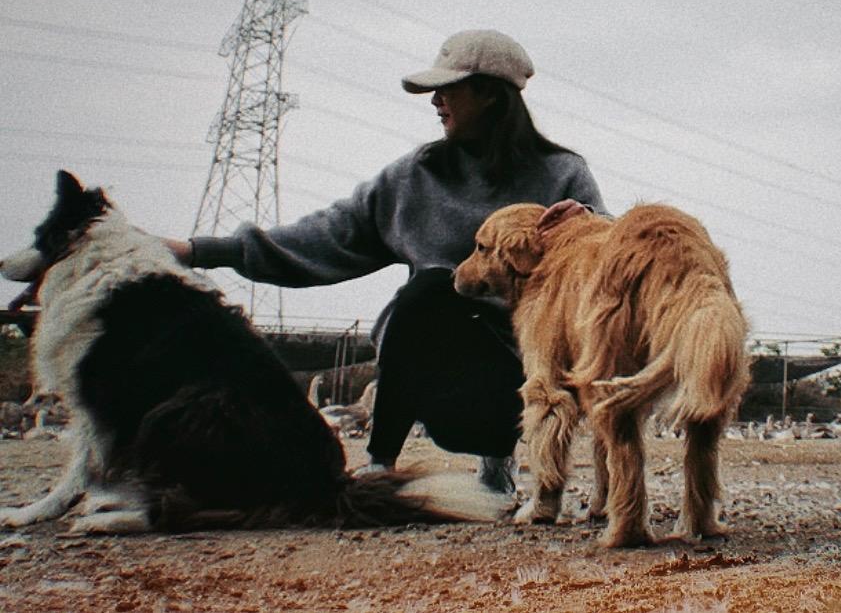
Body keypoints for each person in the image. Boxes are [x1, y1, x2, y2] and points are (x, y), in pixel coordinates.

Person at [166, 29, 607, 492]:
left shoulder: (563, 174)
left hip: (521, 373)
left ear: (491, 95)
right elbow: (329, 234)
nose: (435, 101)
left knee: (450, 300)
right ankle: (381, 463)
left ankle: (497, 459)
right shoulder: (416, 177)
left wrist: (588, 222)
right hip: (431, 371)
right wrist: (200, 251)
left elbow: (612, 256)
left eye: (448, 89)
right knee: (430, 289)